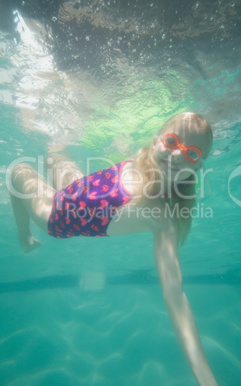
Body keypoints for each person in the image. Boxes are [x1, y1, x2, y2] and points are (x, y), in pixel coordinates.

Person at [8, 112, 217, 385]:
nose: (178, 153)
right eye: (172, 141)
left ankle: (23, 237)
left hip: (54, 214)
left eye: (191, 153)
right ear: (155, 142)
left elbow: (174, 293)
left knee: (17, 172)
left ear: (198, 166)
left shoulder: (163, 218)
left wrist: (205, 376)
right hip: (76, 187)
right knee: (55, 153)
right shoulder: (143, 158)